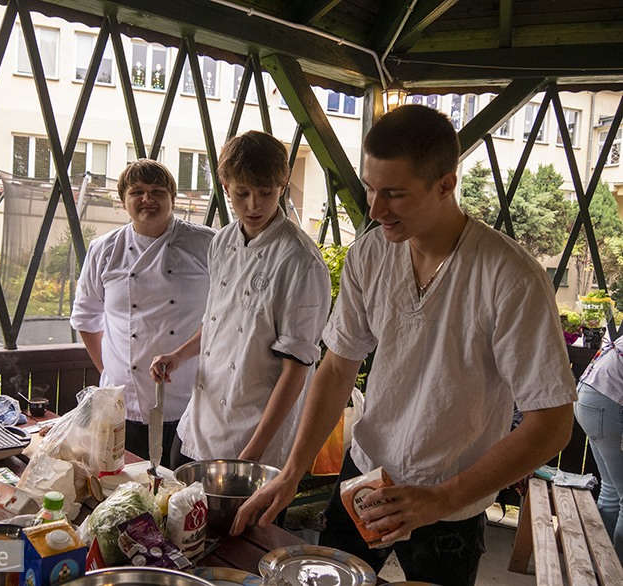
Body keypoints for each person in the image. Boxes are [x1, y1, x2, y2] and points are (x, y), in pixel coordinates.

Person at [231, 105, 577, 586]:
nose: (374, 209)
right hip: (365, 476)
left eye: (394, 194)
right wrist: (292, 471)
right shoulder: (371, 253)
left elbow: (553, 422)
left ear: (445, 185)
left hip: (451, 499)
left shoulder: (509, 276)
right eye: (371, 188)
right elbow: (336, 368)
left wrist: (443, 498)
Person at [149, 130, 331, 469]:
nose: (253, 205)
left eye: (266, 192)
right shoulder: (222, 242)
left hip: (254, 429)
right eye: (242, 192)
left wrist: (253, 452)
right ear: (224, 184)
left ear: (283, 182)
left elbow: (296, 370)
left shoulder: (300, 262)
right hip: (202, 417)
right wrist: (179, 354)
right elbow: (220, 319)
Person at [70, 159, 215, 467]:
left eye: (157, 191)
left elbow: (222, 315)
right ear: (123, 201)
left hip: (190, 397)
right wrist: (111, 369)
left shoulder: (205, 243)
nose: (147, 199)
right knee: (122, 485)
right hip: (121, 402)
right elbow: (86, 315)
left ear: (172, 198)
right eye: (137, 191)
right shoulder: (104, 249)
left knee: (180, 491)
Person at [575, 341, 623, 561]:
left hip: (590, 398)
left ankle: (599, 564)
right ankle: (618, 571)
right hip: (605, 404)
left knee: (612, 489)